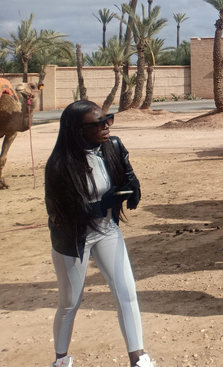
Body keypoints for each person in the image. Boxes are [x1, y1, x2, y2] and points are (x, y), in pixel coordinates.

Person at [45, 101, 153, 367]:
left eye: (108, 120)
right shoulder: (59, 165)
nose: (106, 127)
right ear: (77, 130)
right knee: (70, 302)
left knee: (126, 292)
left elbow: (127, 175)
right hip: (73, 238)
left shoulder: (112, 147)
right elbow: (63, 213)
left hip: (107, 231)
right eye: (98, 123)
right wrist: (104, 204)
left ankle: (138, 358)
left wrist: (133, 188)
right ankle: (61, 359)